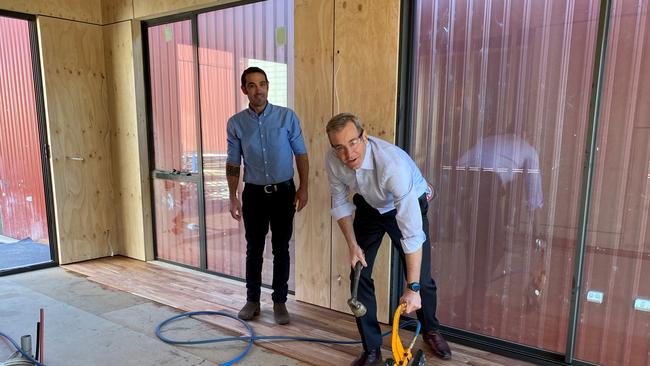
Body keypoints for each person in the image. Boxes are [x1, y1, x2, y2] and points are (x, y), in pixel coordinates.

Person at [325, 113, 451, 365]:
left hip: (406, 201)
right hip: (370, 206)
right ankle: (371, 350)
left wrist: (412, 287)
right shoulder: (333, 160)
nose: (348, 154)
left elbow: (412, 234)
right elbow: (339, 202)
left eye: (353, 142)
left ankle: (431, 330)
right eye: (339, 147)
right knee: (358, 273)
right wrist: (353, 245)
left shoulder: (391, 165)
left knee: (421, 279)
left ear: (365, 136)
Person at [226, 66, 309, 325]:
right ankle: (252, 300)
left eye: (262, 84)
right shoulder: (236, 123)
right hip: (253, 195)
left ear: (268, 86)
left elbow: (301, 154)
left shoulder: (287, 117)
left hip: (283, 193)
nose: (258, 89)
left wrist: (303, 187)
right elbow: (233, 162)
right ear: (244, 90)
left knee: (281, 248)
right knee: (254, 248)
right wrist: (232, 196)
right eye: (251, 85)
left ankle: (280, 302)